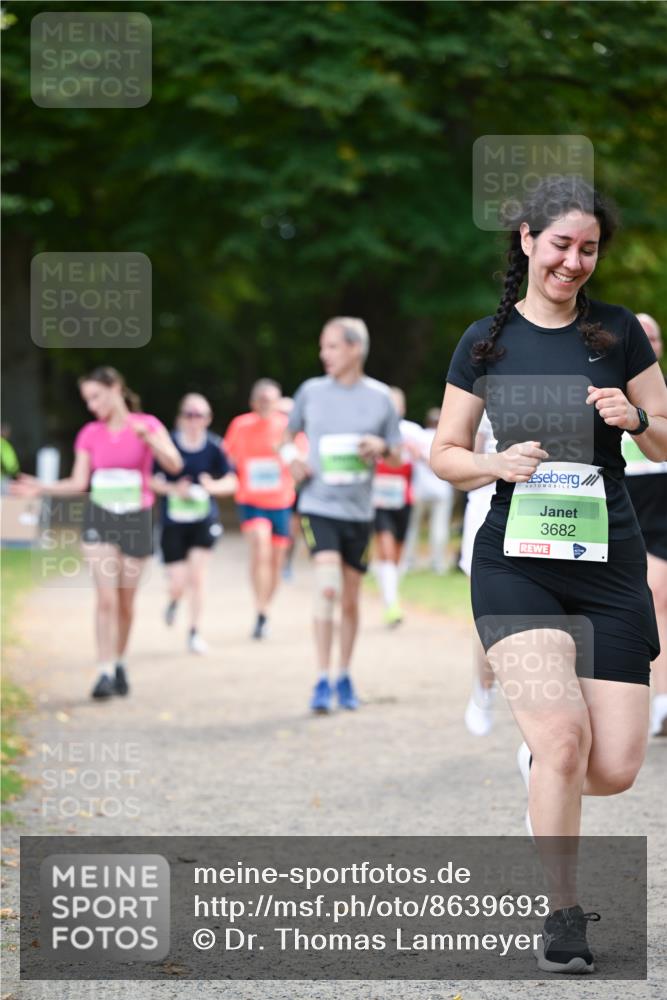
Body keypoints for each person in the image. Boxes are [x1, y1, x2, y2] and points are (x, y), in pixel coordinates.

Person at [432, 175, 667, 973]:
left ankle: (539, 769)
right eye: (560, 243)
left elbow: (666, 435)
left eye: (588, 249)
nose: (573, 261)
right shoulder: (483, 341)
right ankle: (562, 912)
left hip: (607, 565)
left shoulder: (616, 335)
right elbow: (444, 455)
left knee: (614, 766)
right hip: (515, 562)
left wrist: (635, 420)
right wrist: (494, 463)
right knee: (567, 742)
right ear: (527, 241)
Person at [12, 367, 182, 699]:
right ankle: (103, 671)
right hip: (100, 517)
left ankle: (120, 661)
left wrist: (152, 440)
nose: (92, 405)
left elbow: (174, 465)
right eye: (87, 399)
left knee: (125, 602)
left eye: (96, 396)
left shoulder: (147, 425)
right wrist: (41, 487)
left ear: (115, 388)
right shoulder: (90, 433)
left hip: (137, 518)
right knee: (105, 598)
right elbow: (79, 482)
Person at [283, 317, 402, 712]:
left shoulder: (381, 397)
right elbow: (285, 437)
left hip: (359, 513)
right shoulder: (311, 392)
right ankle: (320, 679)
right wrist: (293, 460)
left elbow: (398, 452)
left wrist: (380, 446)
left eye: (331, 346)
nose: (324, 354)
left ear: (354, 349)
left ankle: (343, 676)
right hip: (318, 505)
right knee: (327, 585)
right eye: (323, 347)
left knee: (350, 599)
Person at [151, 393, 237, 654]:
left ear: (207, 419)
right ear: (180, 417)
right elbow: (150, 479)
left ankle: (194, 631)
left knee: (197, 577)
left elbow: (233, 481)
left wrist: (213, 486)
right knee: (179, 582)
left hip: (203, 520)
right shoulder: (168, 445)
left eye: (199, 415)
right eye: (189, 414)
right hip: (172, 522)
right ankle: (174, 601)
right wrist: (173, 489)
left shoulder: (214, 447)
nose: (193, 420)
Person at [223, 379, 297, 639]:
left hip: (280, 502)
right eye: (262, 400)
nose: (266, 405)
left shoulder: (288, 426)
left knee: (276, 562)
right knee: (260, 544)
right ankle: (260, 606)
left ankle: (264, 611)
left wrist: (286, 454)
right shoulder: (240, 425)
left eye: (271, 400)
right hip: (251, 500)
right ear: (253, 402)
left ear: (278, 402)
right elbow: (227, 458)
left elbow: (301, 462)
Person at [622, 313, 667, 736]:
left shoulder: (662, 394)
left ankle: (662, 701)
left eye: (651, 337)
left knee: (660, 598)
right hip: (623, 506)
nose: (646, 343)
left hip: (662, 506)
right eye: (640, 337)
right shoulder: (603, 388)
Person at [460, 411, 498, 736]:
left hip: (555, 501)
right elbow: (463, 461)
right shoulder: (485, 376)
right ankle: (484, 686)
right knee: (488, 610)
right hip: (490, 498)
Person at [372, 387, 422, 626]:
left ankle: (390, 592)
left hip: (404, 499)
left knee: (397, 556)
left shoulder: (412, 431)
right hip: (378, 499)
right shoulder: (373, 431)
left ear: (402, 407)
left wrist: (416, 453)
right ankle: (392, 604)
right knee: (386, 548)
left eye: (396, 404)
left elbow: (434, 460)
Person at [401, 408, 456, 575]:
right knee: (439, 527)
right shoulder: (447, 439)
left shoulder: (419, 436)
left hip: (420, 489)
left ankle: (408, 561)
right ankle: (437, 563)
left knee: (412, 527)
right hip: (442, 489)